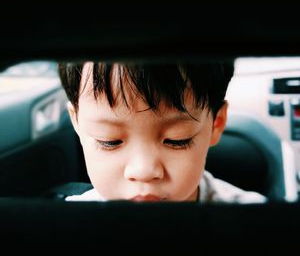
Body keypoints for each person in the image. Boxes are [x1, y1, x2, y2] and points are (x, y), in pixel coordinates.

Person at [58, 60, 266, 203]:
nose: (143, 171)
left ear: (216, 124)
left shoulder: (253, 223)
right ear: (77, 122)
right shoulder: (66, 226)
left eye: (177, 140)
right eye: (109, 141)